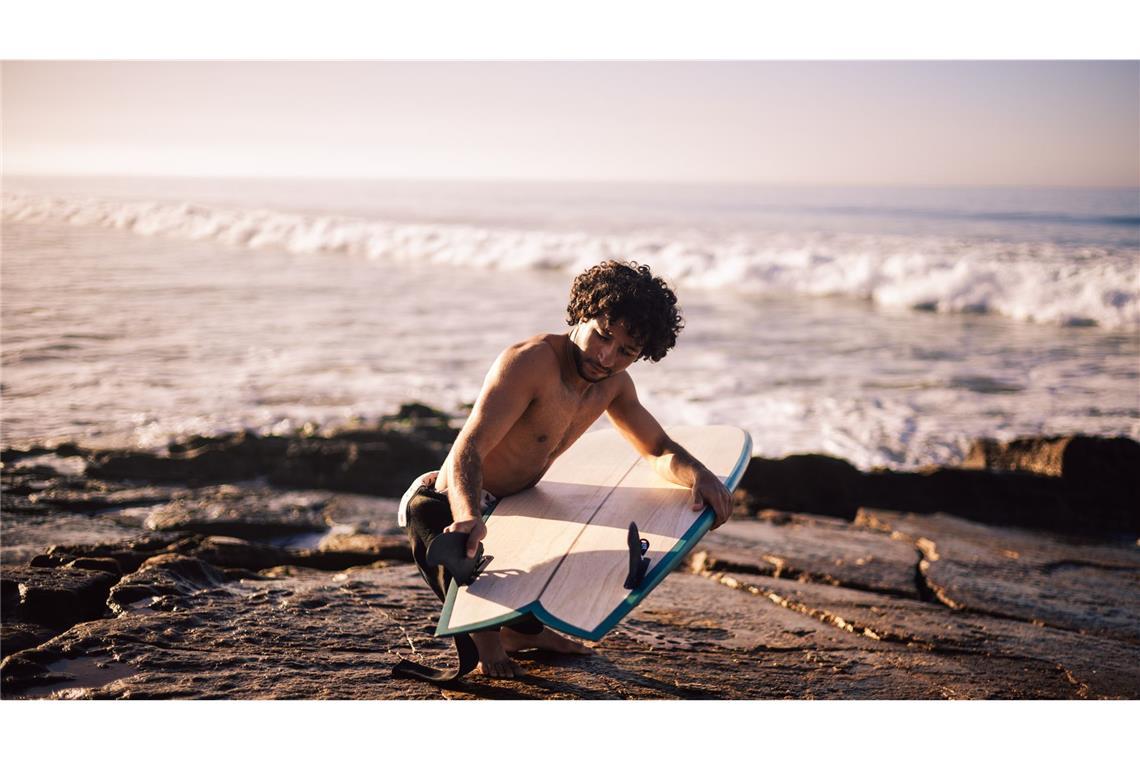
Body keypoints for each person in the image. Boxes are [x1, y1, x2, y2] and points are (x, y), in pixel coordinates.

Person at [397, 260, 733, 680]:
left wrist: (697, 475)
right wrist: (468, 516)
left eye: (626, 351)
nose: (606, 356)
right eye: (602, 335)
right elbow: (470, 448)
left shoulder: (614, 385)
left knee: (554, 558)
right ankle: (486, 638)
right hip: (452, 500)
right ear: (582, 313)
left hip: (516, 501)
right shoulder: (530, 362)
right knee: (457, 549)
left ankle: (522, 633)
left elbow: (658, 448)